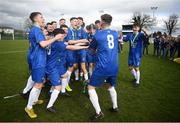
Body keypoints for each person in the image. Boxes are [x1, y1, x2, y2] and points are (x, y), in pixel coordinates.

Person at [25, 12, 64, 118]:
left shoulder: (37, 30)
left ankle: (35, 100)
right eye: (41, 17)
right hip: (38, 61)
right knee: (38, 84)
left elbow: (42, 42)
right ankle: (28, 107)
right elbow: (43, 44)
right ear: (36, 19)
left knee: (41, 82)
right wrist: (55, 38)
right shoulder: (36, 30)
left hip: (40, 60)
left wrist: (49, 38)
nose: (43, 19)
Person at [46, 28, 89, 113]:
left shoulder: (55, 42)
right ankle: (49, 105)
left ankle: (61, 91)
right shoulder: (58, 44)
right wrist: (85, 47)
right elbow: (71, 47)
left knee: (65, 75)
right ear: (58, 36)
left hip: (58, 65)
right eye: (62, 35)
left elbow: (69, 43)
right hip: (53, 67)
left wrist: (81, 43)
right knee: (57, 86)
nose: (63, 37)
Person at [88, 14, 119, 121]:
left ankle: (98, 112)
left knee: (90, 88)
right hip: (114, 65)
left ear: (102, 22)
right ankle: (115, 107)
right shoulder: (115, 33)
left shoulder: (98, 35)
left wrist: (93, 52)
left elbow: (91, 50)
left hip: (103, 66)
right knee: (109, 85)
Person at [66, 17, 89, 86]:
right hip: (71, 50)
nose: (77, 22)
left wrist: (76, 43)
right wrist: (80, 41)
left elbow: (86, 41)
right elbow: (69, 41)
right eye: (75, 21)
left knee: (83, 66)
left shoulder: (82, 30)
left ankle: (86, 81)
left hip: (81, 50)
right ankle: (66, 82)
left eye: (77, 21)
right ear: (71, 22)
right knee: (73, 66)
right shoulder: (69, 30)